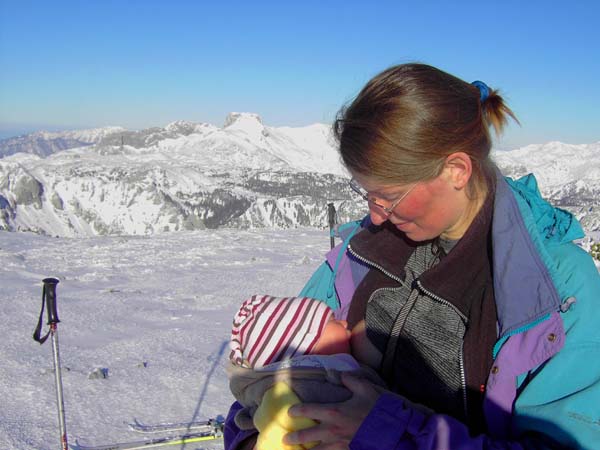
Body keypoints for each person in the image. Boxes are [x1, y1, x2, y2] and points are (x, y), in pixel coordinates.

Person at [224, 62, 600, 450]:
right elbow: (273, 376)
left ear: (456, 170)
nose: (373, 215)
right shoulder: (360, 256)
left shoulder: (556, 291)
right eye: (366, 194)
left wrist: (390, 432)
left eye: (388, 196)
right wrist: (257, 437)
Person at [228, 294, 388, 450]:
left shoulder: (281, 384)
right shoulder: (307, 384)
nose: (344, 323)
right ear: (306, 347)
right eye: (332, 321)